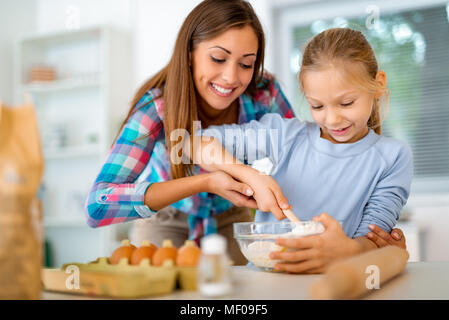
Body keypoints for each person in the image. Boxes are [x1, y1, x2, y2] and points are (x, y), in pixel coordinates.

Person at [84, 0, 295, 265]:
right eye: (218, 58)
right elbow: (98, 206)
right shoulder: (157, 107)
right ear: (189, 53)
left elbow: (301, 157)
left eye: (246, 64)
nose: (231, 77)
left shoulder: (265, 94)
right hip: (165, 218)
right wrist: (205, 181)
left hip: (233, 217)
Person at [192, 27, 413, 273]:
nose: (332, 119)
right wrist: (249, 175)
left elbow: (374, 237)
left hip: (336, 280)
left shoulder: (393, 157)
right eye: (317, 106)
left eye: (347, 103)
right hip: (268, 279)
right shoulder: (286, 135)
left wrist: (346, 249)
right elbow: (196, 143)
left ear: (378, 84)